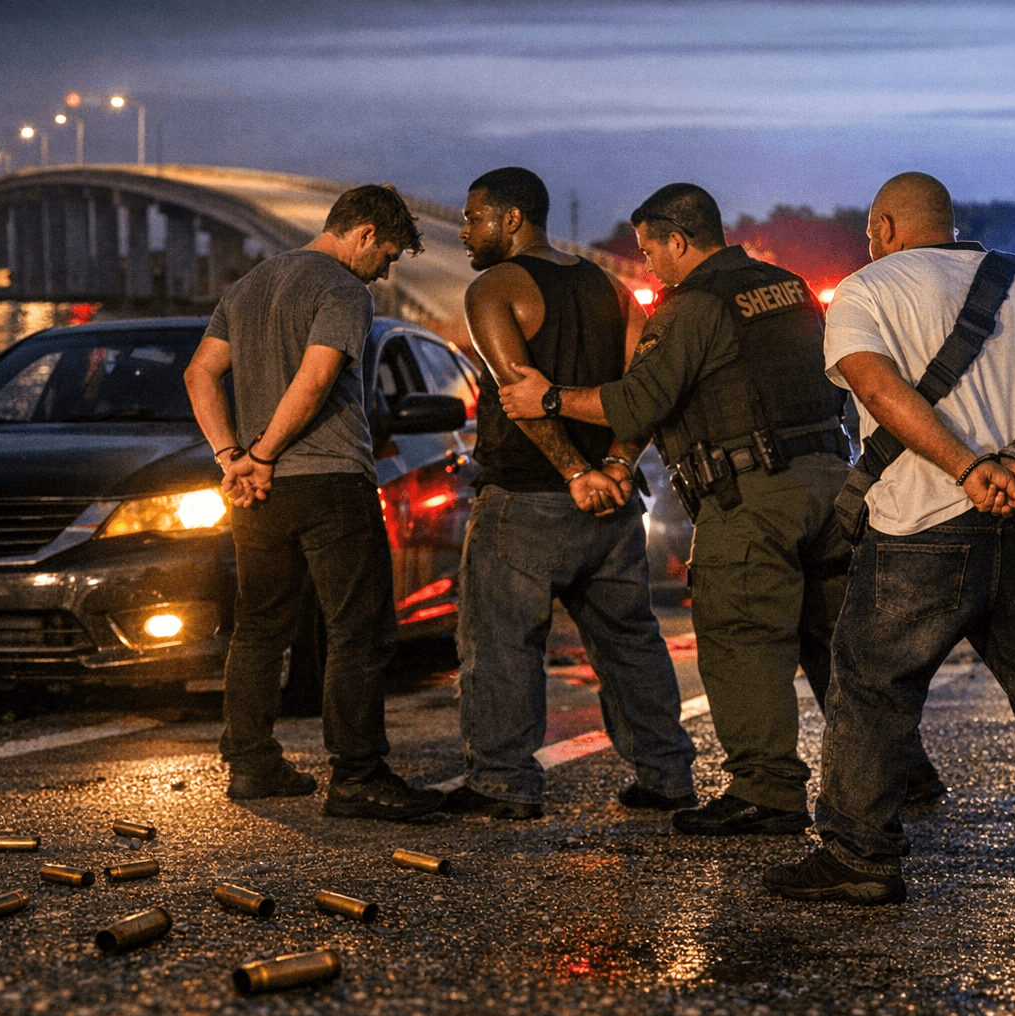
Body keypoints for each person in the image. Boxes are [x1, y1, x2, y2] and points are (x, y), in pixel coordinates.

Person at [763, 172, 1015, 904]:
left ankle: (860, 859)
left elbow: (877, 388)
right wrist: (1014, 461)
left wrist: (967, 467)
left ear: (884, 227)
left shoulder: (867, 290)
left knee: (874, 687)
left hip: (921, 523)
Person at [500, 182, 942, 837]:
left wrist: (551, 400)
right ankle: (903, 771)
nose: (648, 263)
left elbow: (638, 403)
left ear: (679, 239)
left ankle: (766, 791)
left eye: (651, 249)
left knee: (744, 640)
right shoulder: (788, 287)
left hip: (752, 495)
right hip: (831, 483)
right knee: (838, 648)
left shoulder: (692, 307)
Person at [442, 166, 697, 820]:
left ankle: (501, 784)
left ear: (511, 219)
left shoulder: (494, 288)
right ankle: (665, 775)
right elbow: (643, 392)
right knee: (630, 644)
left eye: (473, 217)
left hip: (527, 500)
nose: (464, 230)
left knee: (500, 644)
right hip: (611, 508)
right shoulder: (611, 288)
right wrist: (613, 464)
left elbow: (517, 390)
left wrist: (573, 473)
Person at [184, 183, 444, 820]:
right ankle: (356, 775)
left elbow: (198, 374)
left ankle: (251, 765)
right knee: (358, 630)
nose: (384, 270)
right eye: (385, 255)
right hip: (328, 480)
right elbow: (319, 373)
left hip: (258, 494)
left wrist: (232, 457)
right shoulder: (342, 289)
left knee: (260, 629)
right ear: (361, 234)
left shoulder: (248, 286)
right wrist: (265, 452)